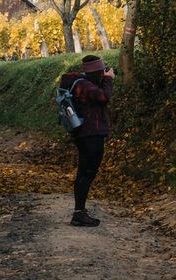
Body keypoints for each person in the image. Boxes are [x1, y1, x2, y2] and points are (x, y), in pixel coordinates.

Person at [58, 54, 114, 227]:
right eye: (101, 71)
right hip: (91, 134)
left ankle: (79, 211)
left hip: (84, 133)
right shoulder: (84, 85)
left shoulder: (80, 82)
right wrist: (109, 80)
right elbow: (104, 97)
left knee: (83, 172)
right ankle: (79, 213)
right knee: (88, 172)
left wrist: (103, 79)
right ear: (97, 71)